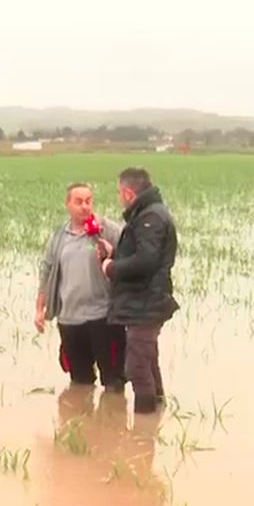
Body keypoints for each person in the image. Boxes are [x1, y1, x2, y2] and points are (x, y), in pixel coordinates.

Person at [101, 168, 179, 414]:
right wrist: (114, 253)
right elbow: (143, 254)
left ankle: (143, 435)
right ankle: (155, 416)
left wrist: (111, 267)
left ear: (128, 193)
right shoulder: (149, 213)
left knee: (136, 367)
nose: (119, 198)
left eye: (119, 193)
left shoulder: (150, 218)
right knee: (148, 360)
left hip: (146, 302)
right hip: (146, 300)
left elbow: (146, 261)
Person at [35, 182, 125, 391]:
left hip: (103, 317)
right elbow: (47, 271)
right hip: (69, 319)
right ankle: (83, 421)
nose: (85, 206)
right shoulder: (59, 236)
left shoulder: (108, 230)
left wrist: (112, 253)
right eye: (78, 202)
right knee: (80, 382)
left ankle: (112, 422)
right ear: (68, 205)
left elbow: (130, 260)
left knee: (113, 383)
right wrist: (40, 309)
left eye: (88, 201)